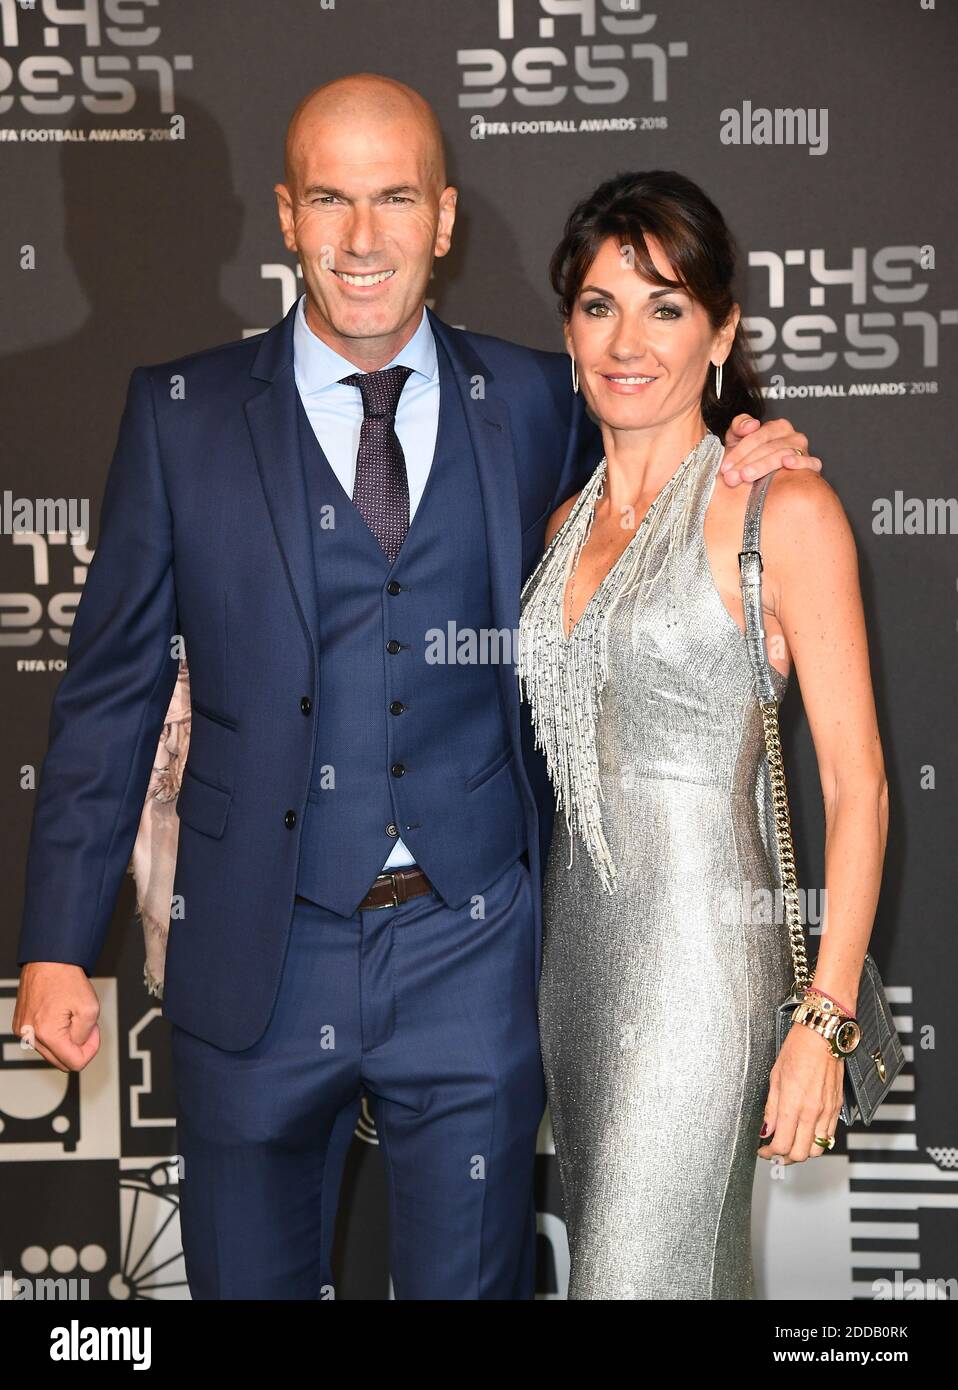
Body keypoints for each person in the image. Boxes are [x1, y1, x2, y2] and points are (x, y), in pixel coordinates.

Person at [12, 77, 821, 1301]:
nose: (361, 237)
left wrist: (760, 441)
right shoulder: (180, 416)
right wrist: (60, 946)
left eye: (394, 197)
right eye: (329, 198)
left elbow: (671, 462)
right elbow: (113, 691)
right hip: (254, 956)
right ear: (285, 216)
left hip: (474, 951)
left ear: (444, 220)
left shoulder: (544, 398)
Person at [517, 170, 888, 1300]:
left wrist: (822, 1024)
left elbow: (858, 785)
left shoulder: (781, 509)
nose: (629, 339)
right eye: (598, 305)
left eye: (666, 306)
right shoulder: (559, 521)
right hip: (573, 976)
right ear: (569, 328)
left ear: (720, 330)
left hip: (699, 977)